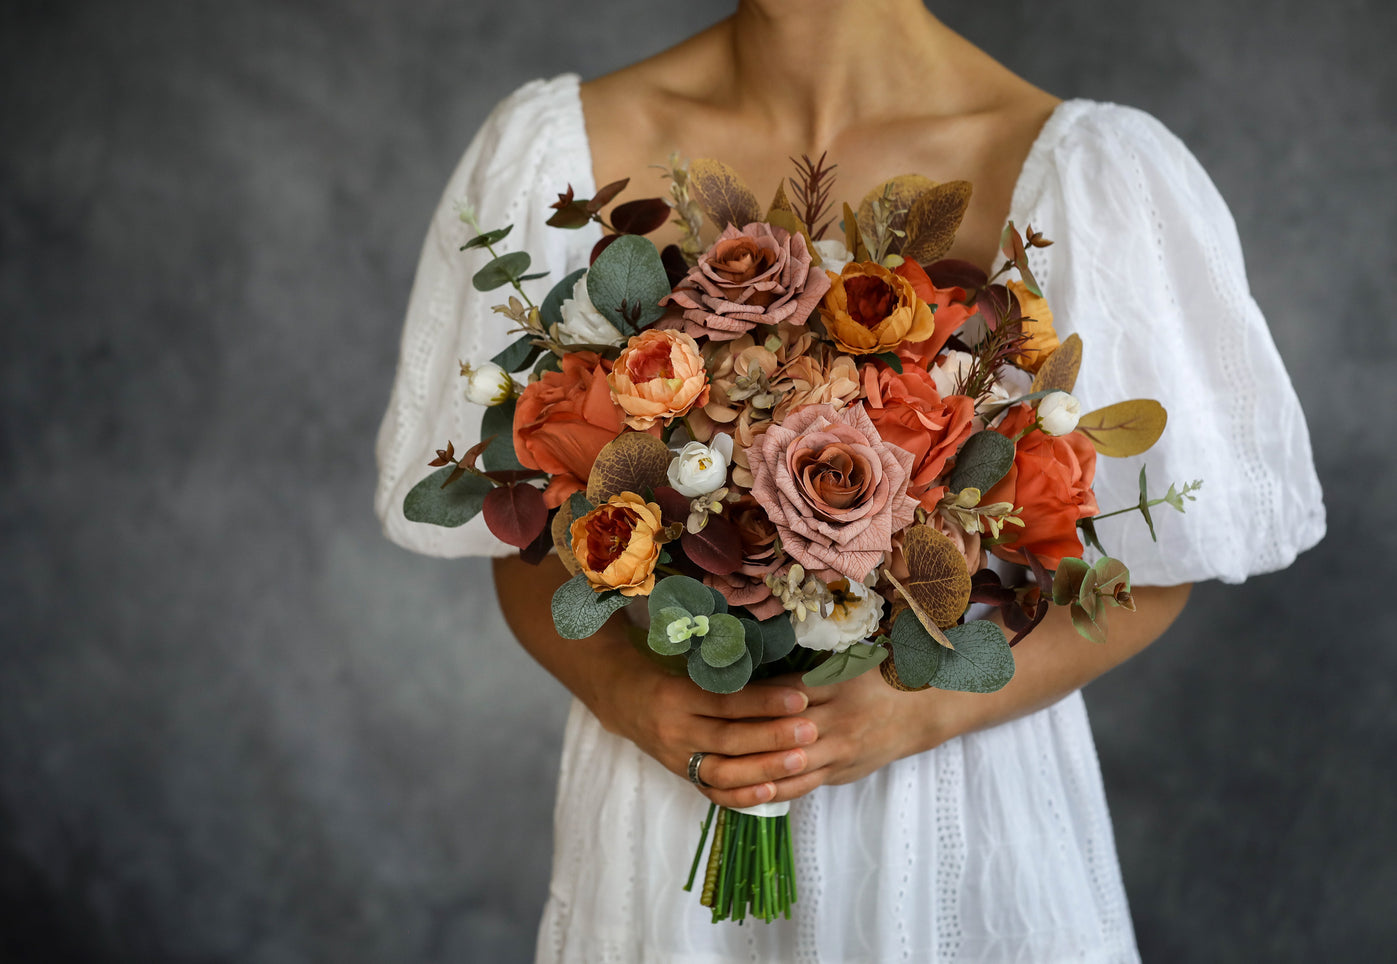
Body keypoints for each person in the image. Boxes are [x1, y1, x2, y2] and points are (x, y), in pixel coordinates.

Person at [374, 2, 1326, 959]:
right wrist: (630, 693)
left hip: (957, 812)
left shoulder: (1088, 172)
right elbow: (524, 532)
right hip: (672, 800)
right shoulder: (555, 149)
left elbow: (1157, 570)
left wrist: (928, 707)